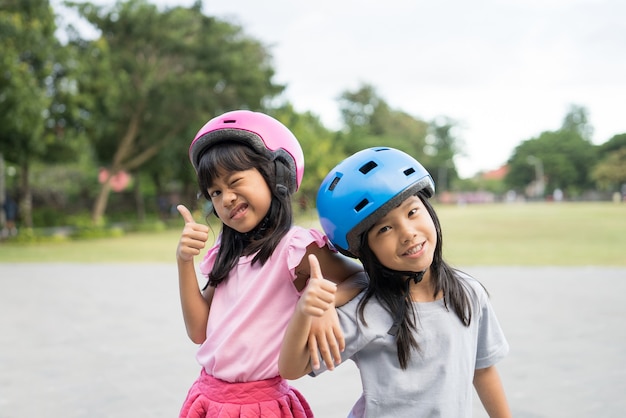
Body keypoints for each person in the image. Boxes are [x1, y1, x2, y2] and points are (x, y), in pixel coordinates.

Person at [279, 147, 511, 418]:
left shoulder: (469, 293)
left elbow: (482, 370)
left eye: (412, 212)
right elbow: (293, 368)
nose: (407, 233)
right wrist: (305, 312)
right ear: (364, 252)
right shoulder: (365, 311)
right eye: (385, 229)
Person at [176, 110, 365, 417]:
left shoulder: (295, 247)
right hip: (208, 398)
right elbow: (199, 331)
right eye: (216, 192)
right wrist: (185, 261)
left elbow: (360, 279)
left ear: (275, 175)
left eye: (235, 181)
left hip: (260, 406)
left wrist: (326, 304)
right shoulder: (227, 250)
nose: (226, 198)